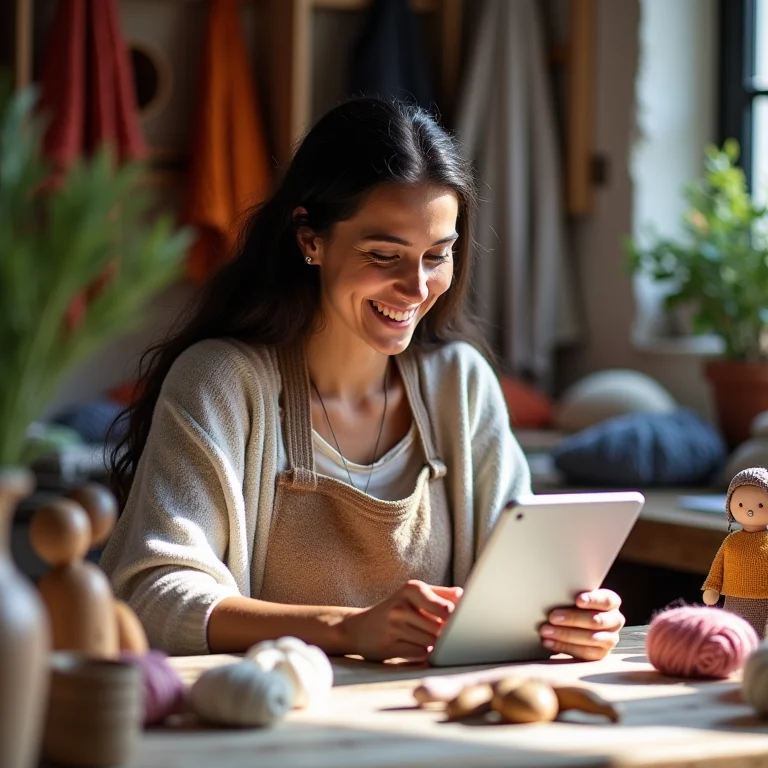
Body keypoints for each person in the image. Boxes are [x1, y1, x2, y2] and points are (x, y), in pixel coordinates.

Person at [102, 97, 625, 661]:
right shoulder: (220, 382)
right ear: (310, 239)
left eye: (437, 255)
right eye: (384, 255)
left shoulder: (461, 384)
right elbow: (150, 596)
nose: (417, 287)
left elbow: (521, 579)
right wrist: (344, 629)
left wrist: (569, 618)